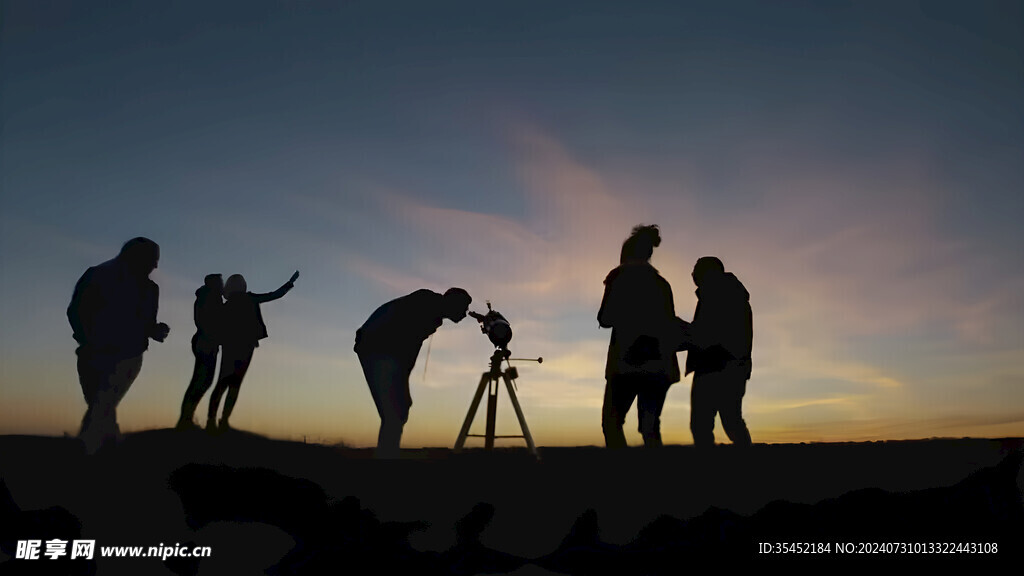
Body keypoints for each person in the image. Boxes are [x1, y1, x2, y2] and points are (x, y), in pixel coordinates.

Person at [67, 237, 170, 454]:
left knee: (102, 404)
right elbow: (77, 310)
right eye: (153, 259)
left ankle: (95, 451)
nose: (156, 266)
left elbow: (147, 323)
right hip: (97, 353)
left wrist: (156, 330)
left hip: (125, 355)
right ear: (137, 257)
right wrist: (88, 339)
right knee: (102, 405)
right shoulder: (98, 275)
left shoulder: (150, 288)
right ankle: (106, 448)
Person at [354, 287, 472, 458]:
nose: (465, 313)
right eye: (464, 308)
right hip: (377, 346)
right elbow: (407, 344)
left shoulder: (432, 310)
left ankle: (387, 454)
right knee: (395, 411)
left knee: (397, 409)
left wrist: (403, 381)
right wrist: (403, 381)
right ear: (454, 303)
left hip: (381, 348)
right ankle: (387, 458)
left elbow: (408, 348)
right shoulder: (427, 303)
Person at [598, 225, 680, 448]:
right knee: (650, 427)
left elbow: (605, 318)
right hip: (659, 365)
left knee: (611, 423)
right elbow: (669, 324)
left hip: (626, 364)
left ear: (626, 255)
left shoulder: (619, 278)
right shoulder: (663, 285)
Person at [206, 270, 299, 431]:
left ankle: (212, 421)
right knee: (235, 384)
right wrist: (290, 282)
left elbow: (216, 326)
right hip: (246, 346)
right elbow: (275, 295)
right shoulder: (250, 299)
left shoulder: (227, 305)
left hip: (231, 346)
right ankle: (223, 421)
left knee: (223, 382)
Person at [685, 256, 753, 448]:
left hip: (719, 366)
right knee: (728, 422)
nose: (693, 274)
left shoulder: (719, 294)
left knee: (708, 424)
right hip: (724, 366)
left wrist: (684, 332)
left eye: (696, 270)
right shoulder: (721, 293)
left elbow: (710, 333)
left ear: (709, 273)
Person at [176, 274, 224, 429]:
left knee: (202, 380)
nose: (223, 285)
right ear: (215, 284)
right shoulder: (210, 297)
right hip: (206, 342)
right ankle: (185, 419)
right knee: (201, 380)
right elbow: (207, 321)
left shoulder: (210, 297)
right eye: (221, 282)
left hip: (207, 342)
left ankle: (186, 417)